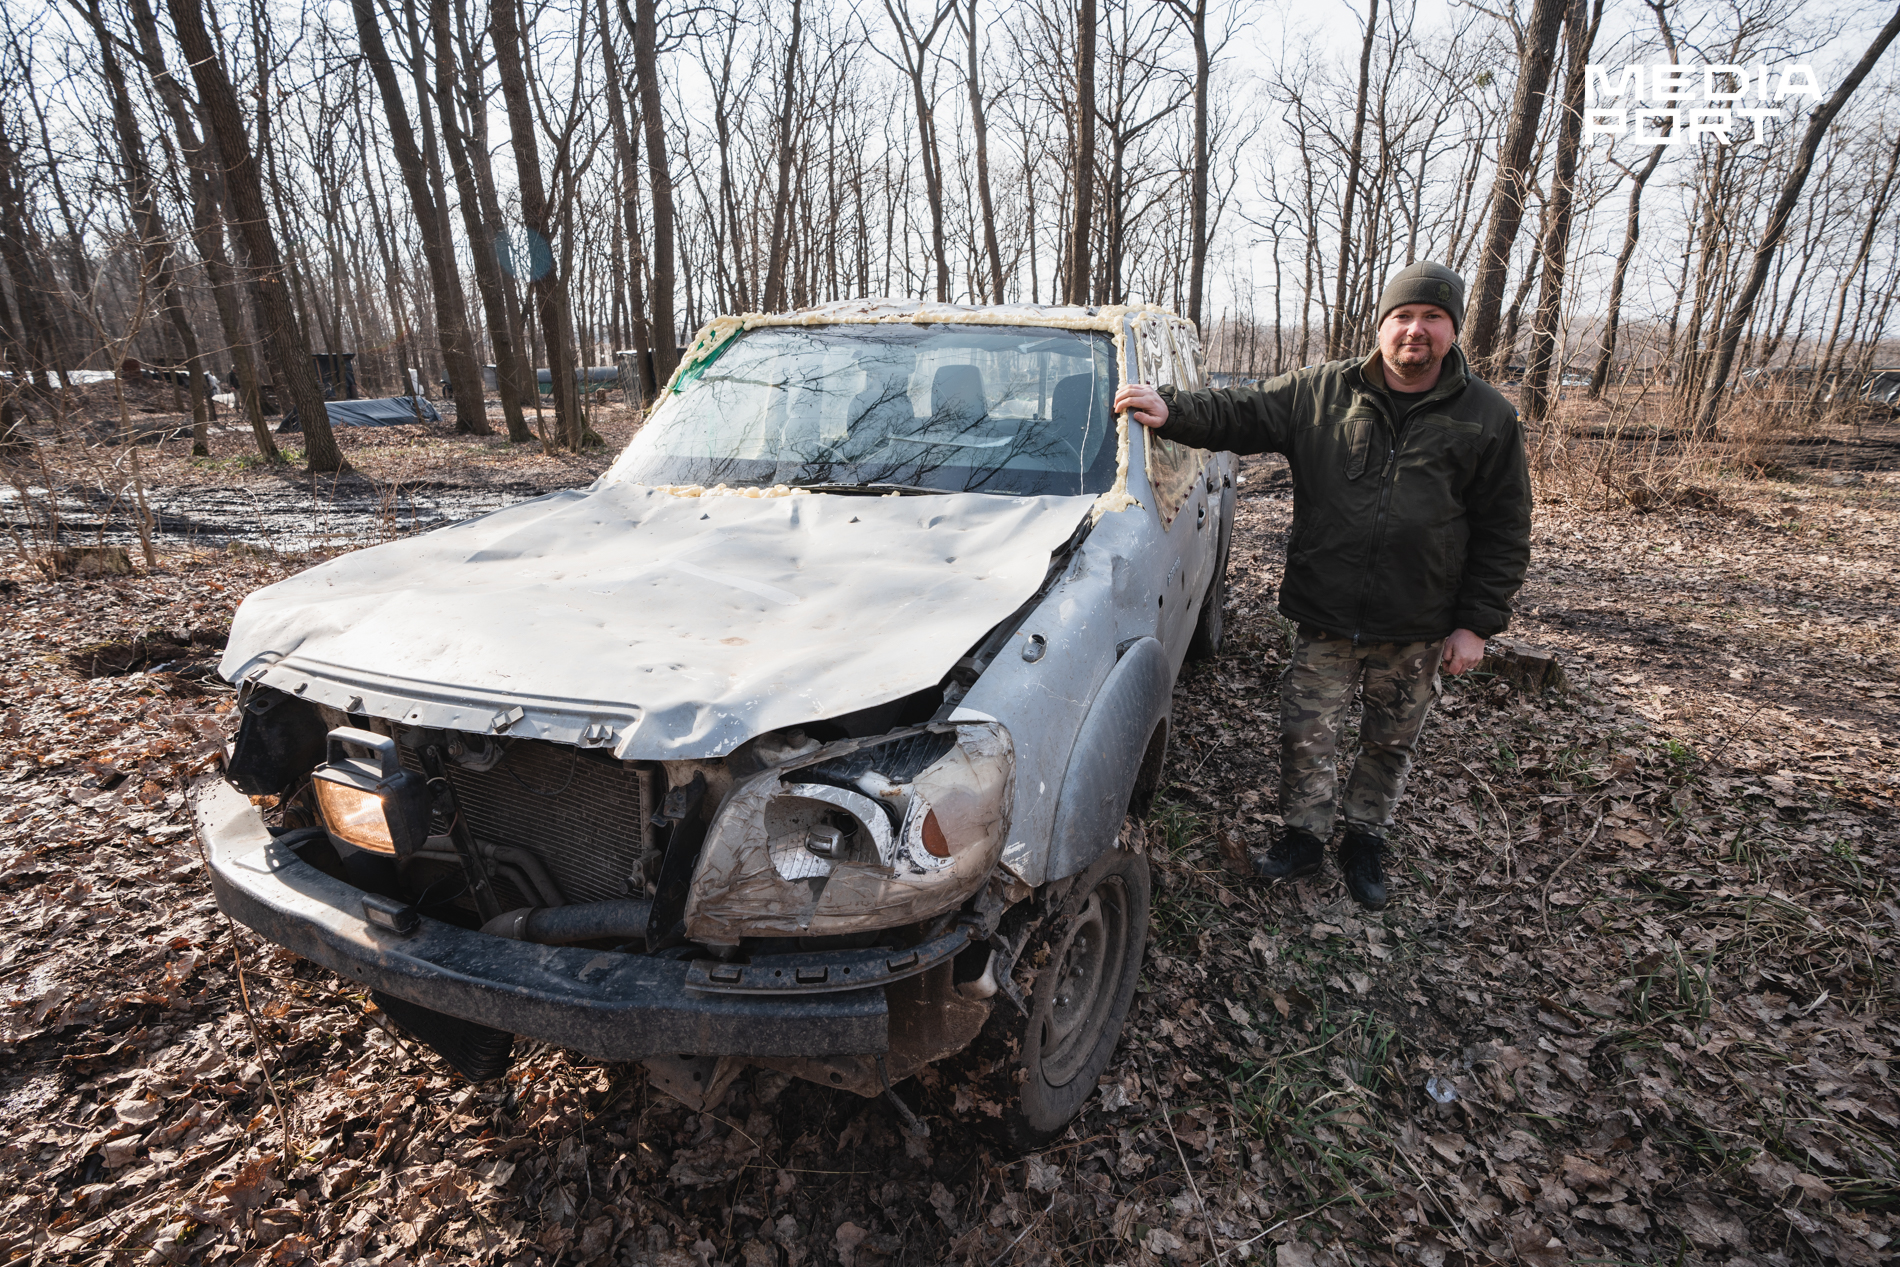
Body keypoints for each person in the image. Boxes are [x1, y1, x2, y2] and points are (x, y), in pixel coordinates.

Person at [1113, 261, 1530, 910]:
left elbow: (1505, 528)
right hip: (1327, 613)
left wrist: (1477, 623)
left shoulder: (1488, 418)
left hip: (1418, 621)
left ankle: (1365, 837)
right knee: (1305, 730)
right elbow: (1241, 411)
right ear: (1382, 324)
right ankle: (1303, 836)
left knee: (1389, 741)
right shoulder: (1323, 391)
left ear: (1453, 330)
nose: (1415, 330)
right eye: (1403, 316)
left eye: (1433, 318)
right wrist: (1173, 411)